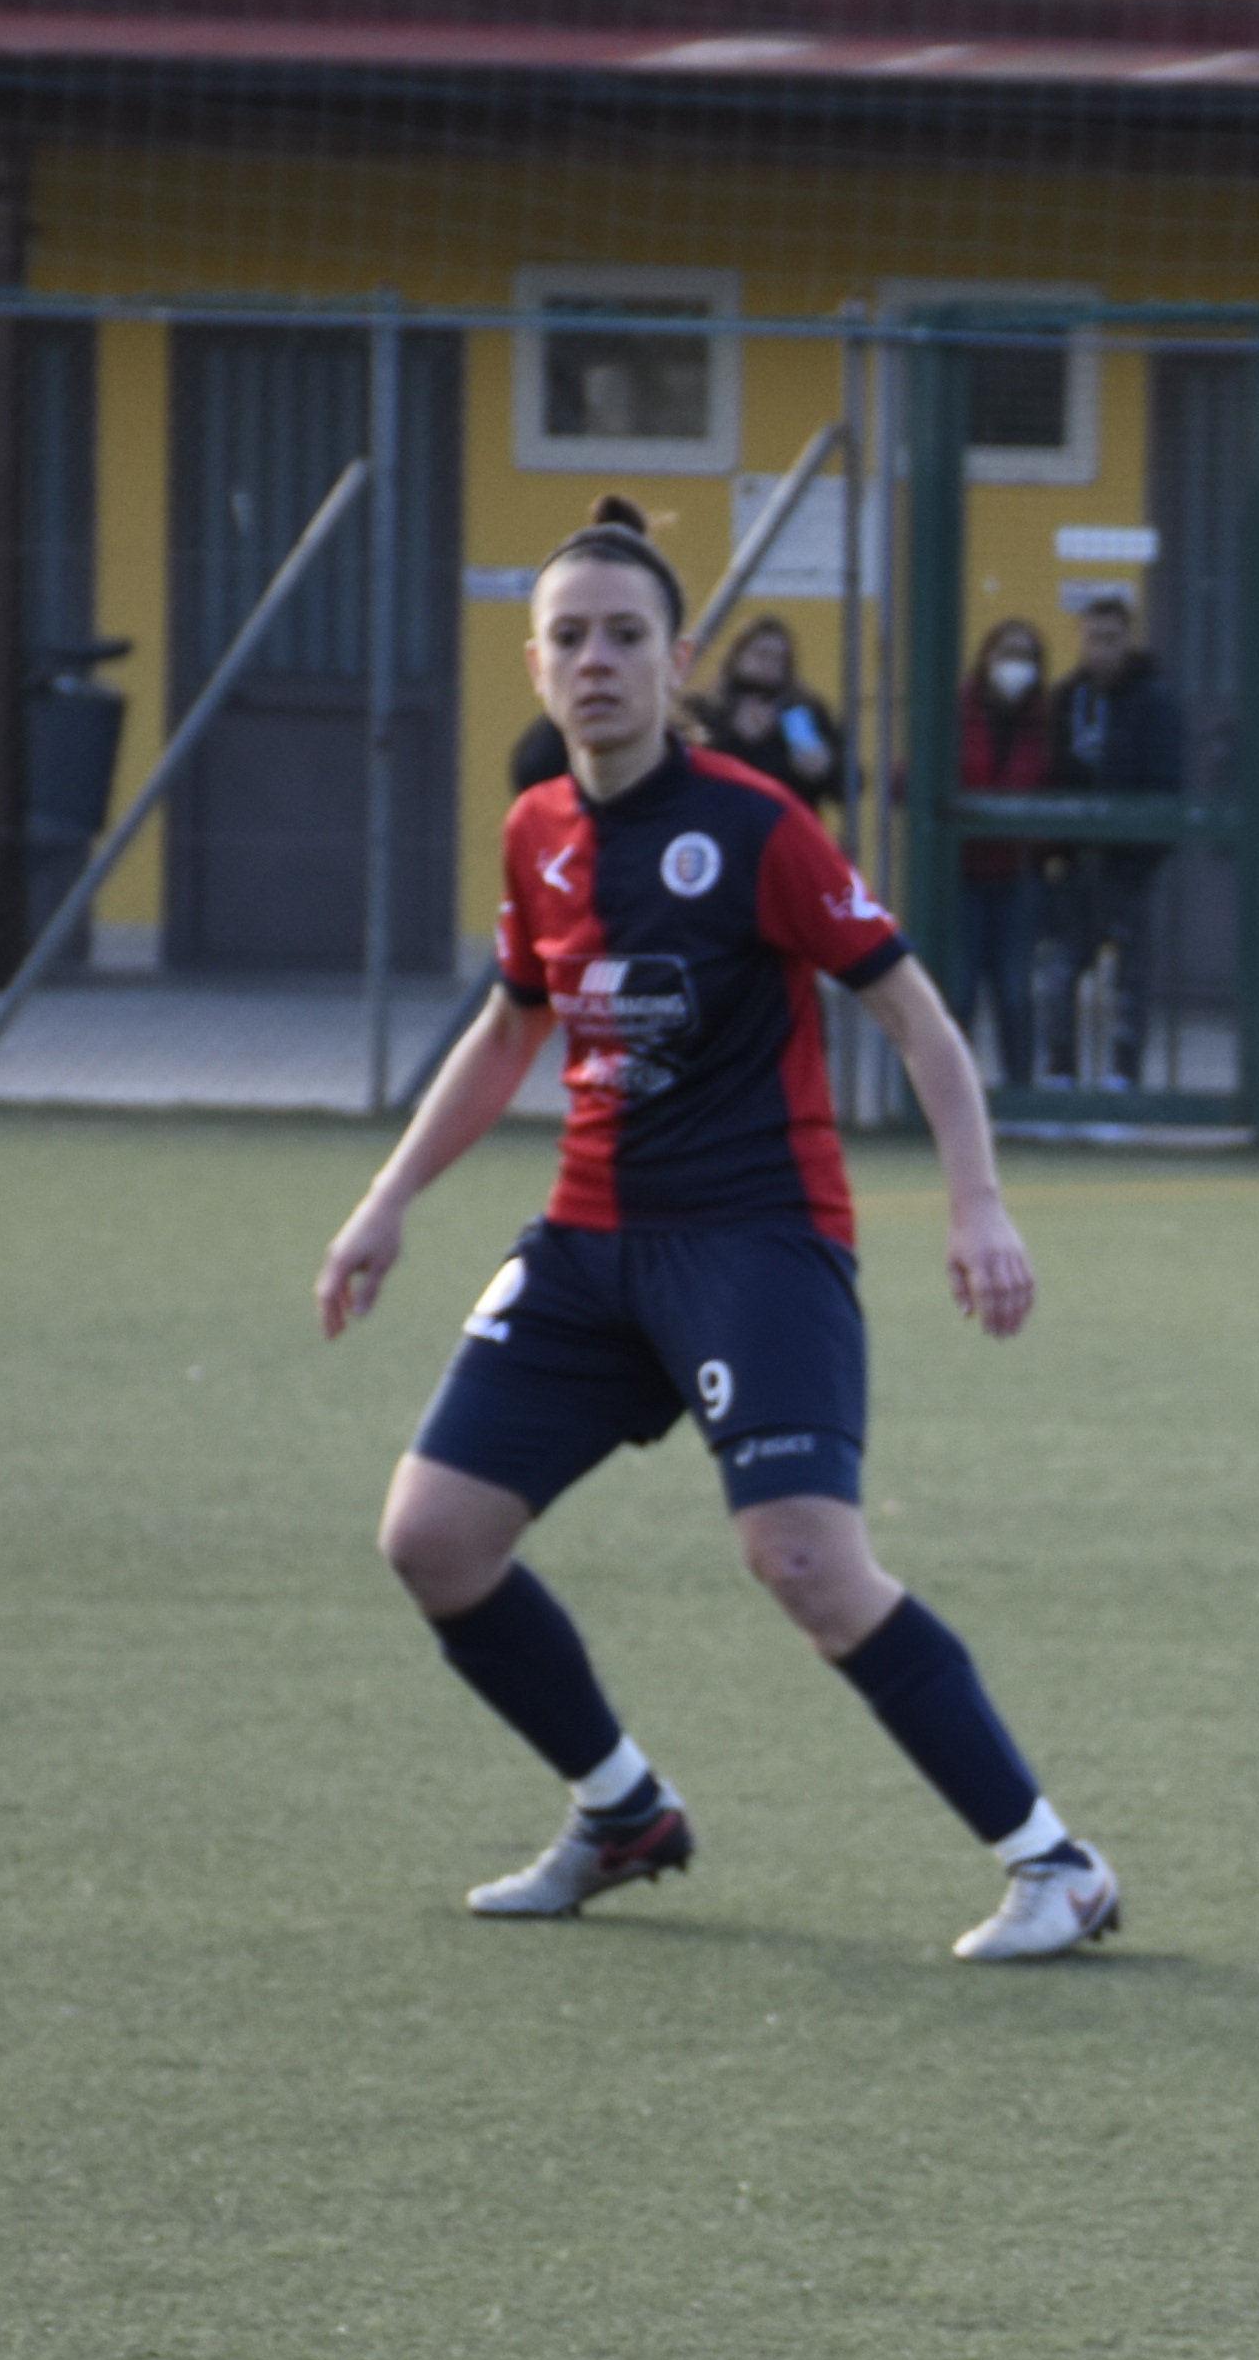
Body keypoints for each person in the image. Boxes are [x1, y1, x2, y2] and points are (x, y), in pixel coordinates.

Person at [316, 494, 1120, 1964]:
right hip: (586, 1247)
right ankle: (623, 1812)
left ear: (677, 660)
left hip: (754, 1240)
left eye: (626, 636)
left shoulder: (755, 826)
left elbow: (914, 1013)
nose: (597, 661)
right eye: (570, 637)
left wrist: (977, 1203)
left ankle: (1054, 1865)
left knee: (806, 1563)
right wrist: (388, 1201)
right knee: (432, 1540)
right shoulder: (536, 829)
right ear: (535, 663)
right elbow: (512, 1025)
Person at [1046, 589, 1184, 1087]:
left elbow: (1166, 783)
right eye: (1093, 638)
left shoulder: (1155, 701)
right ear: (1079, 640)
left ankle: (1122, 1077)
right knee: (1063, 972)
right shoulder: (1066, 699)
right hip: (1074, 864)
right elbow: (1051, 774)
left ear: (1129, 640)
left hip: (1128, 865)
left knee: (1130, 977)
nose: (1102, 649)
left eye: (1111, 638)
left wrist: (1145, 855)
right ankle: (1061, 1074)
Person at [949, 617, 1066, 1063]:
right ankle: (951, 1092)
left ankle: (1020, 1089)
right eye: (1007, 654)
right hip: (961, 873)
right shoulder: (957, 710)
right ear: (987, 657)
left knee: (1016, 994)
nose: (1016, 665)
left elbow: (1057, 787)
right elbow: (909, 778)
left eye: (1026, 656)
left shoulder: (1048, 719)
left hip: (1019, 875)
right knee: (959, 992)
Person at [700, 619, 851, 818]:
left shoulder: (805, 711)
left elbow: (851, 785)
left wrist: (827, 768)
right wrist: (737, 739)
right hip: (722, 820)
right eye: (762, 654)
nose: (770, 665)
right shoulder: (706, 710)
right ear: (737, 656)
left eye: (780, 658)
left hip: (788, 823)